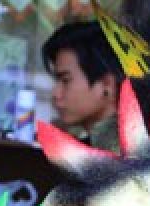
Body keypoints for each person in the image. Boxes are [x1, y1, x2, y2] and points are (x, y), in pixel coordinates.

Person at [42, 20, 122, 152]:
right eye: (57, 81)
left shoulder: (124, 157)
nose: (56, 94)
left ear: (106, 85)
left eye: (66, 80)